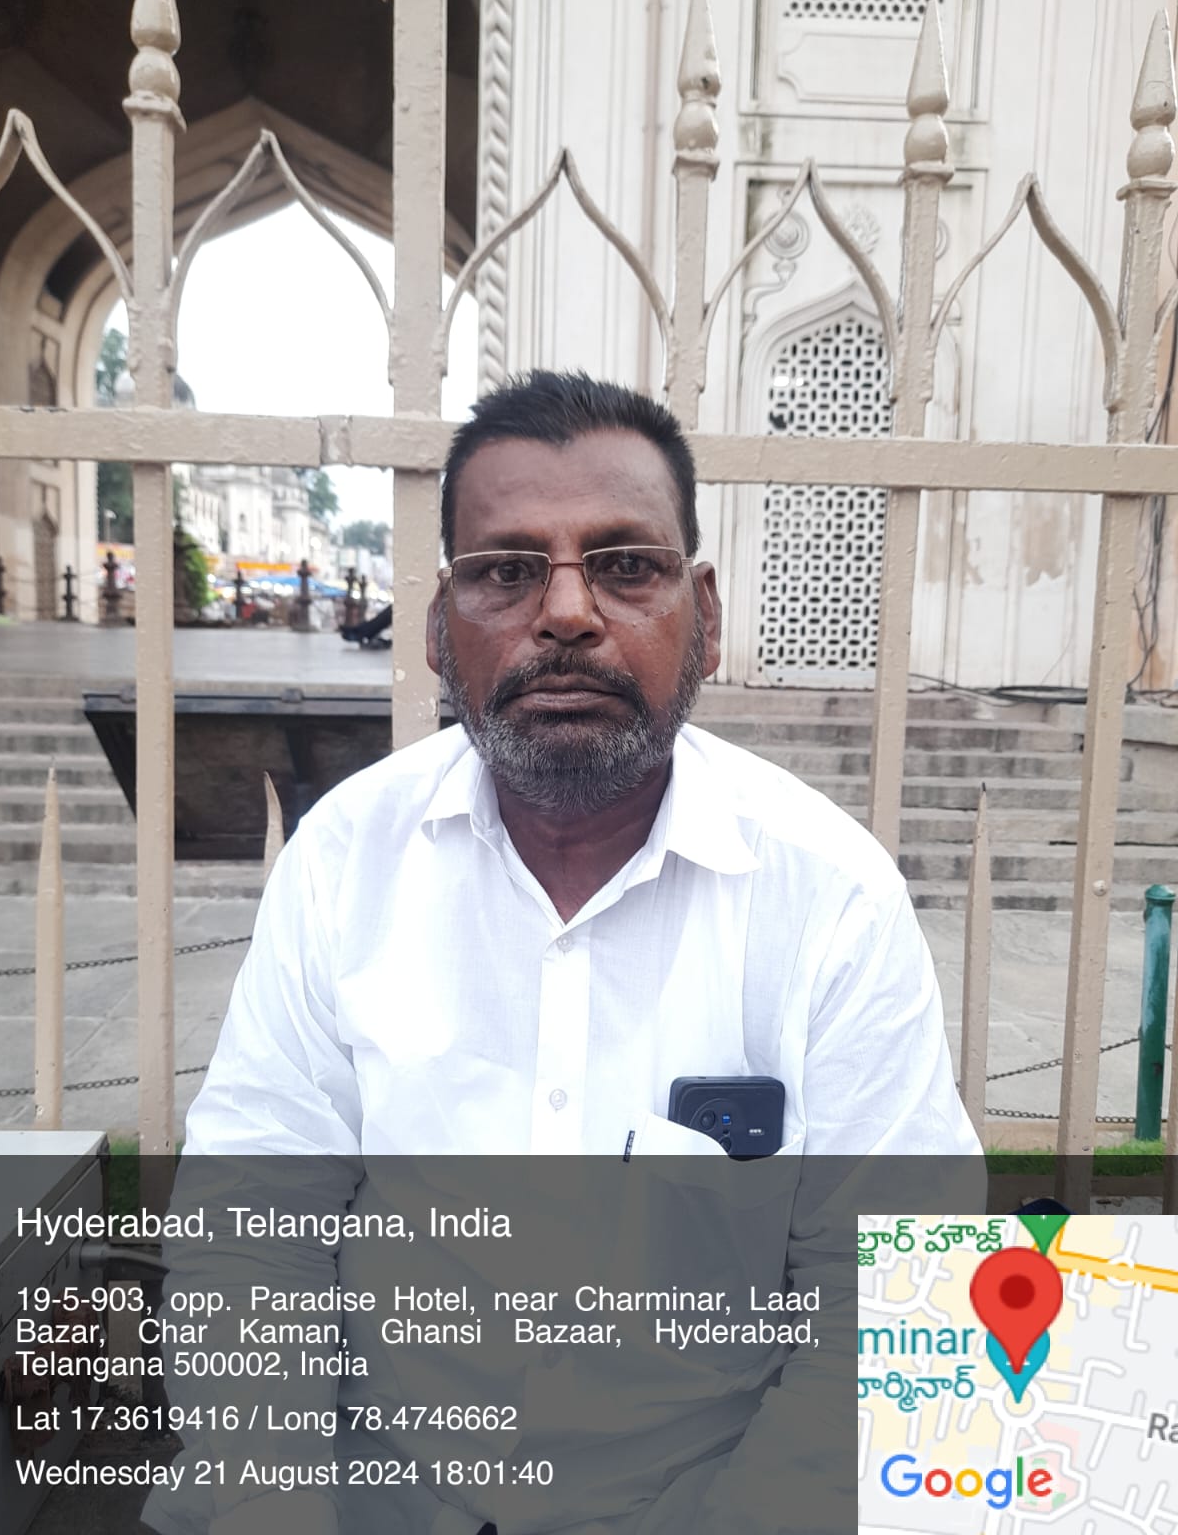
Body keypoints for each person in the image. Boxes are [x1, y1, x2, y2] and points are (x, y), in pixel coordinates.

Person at [148, 370, 979, 1535]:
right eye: (507, 571)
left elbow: (888, 1302)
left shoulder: (830, 897)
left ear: (704, 616)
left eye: (627, 566)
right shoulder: (348, 857)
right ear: (438, 630)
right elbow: (251, 1227)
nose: (570, 614)